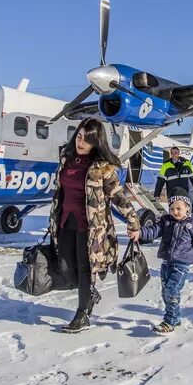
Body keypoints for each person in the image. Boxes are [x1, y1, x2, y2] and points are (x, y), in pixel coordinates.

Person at [48, 118, 141, 333]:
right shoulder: (66, 159)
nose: (81, 143)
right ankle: (89, 293)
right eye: (79, 137)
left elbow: (118, 196)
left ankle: (82, 315)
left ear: (96, 143)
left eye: (87, 140)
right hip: (64, 221)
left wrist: (133, 221)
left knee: (84, 269)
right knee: (63, 267)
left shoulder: (103, 168)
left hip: (91, 228)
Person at [128, 189, 193, 334]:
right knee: (165, 292)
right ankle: (175, 317)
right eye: (172, 208)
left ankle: (170, 321)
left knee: (172, 290)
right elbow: (153, 230)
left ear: (187, 207)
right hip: (166, 263)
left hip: (181, 264)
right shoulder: (166, 221)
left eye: (179, 208)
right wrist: (139, 233)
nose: (175, 211)